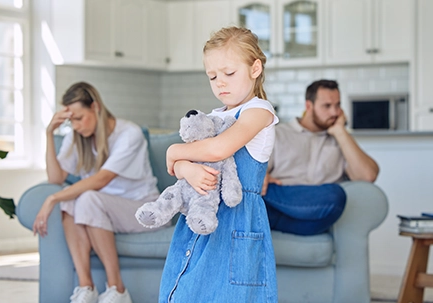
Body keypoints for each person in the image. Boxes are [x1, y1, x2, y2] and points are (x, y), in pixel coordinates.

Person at [156, 27, 279, 303]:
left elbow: (219, 148)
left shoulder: (259, 111)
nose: (220, 83)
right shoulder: (211, 117)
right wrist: (187, 168)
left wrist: (175, 150)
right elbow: (179, 169)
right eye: (212, 76)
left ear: (255, 68)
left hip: (237, 221)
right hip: (200, 217)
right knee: (187, 290)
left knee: (229, 294)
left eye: (229, 73)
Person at [32, 82, 161, 303]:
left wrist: (52, 198)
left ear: (95, 107)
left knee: (85, 197)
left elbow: (101, 180)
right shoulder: (77, 137)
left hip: (142, 209)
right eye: (71, 120)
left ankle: (118, 290)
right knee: (71, 203)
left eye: (79, 118)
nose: (76, 126)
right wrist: (49, 134)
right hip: (102, 207)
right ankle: (86, 289)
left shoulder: (129, 134)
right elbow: (56, 178)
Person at [262, 79, 380, 235]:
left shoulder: (341, 141)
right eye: (327, 106)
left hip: (316, 214)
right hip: (282, 201)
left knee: (335, 197)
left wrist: (340, 131)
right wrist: (263, 175)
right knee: (257, 186)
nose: (334, 112)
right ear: (309, 106)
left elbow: (368, 176)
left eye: (338, 105)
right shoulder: (279, 133)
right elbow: (260, 175)